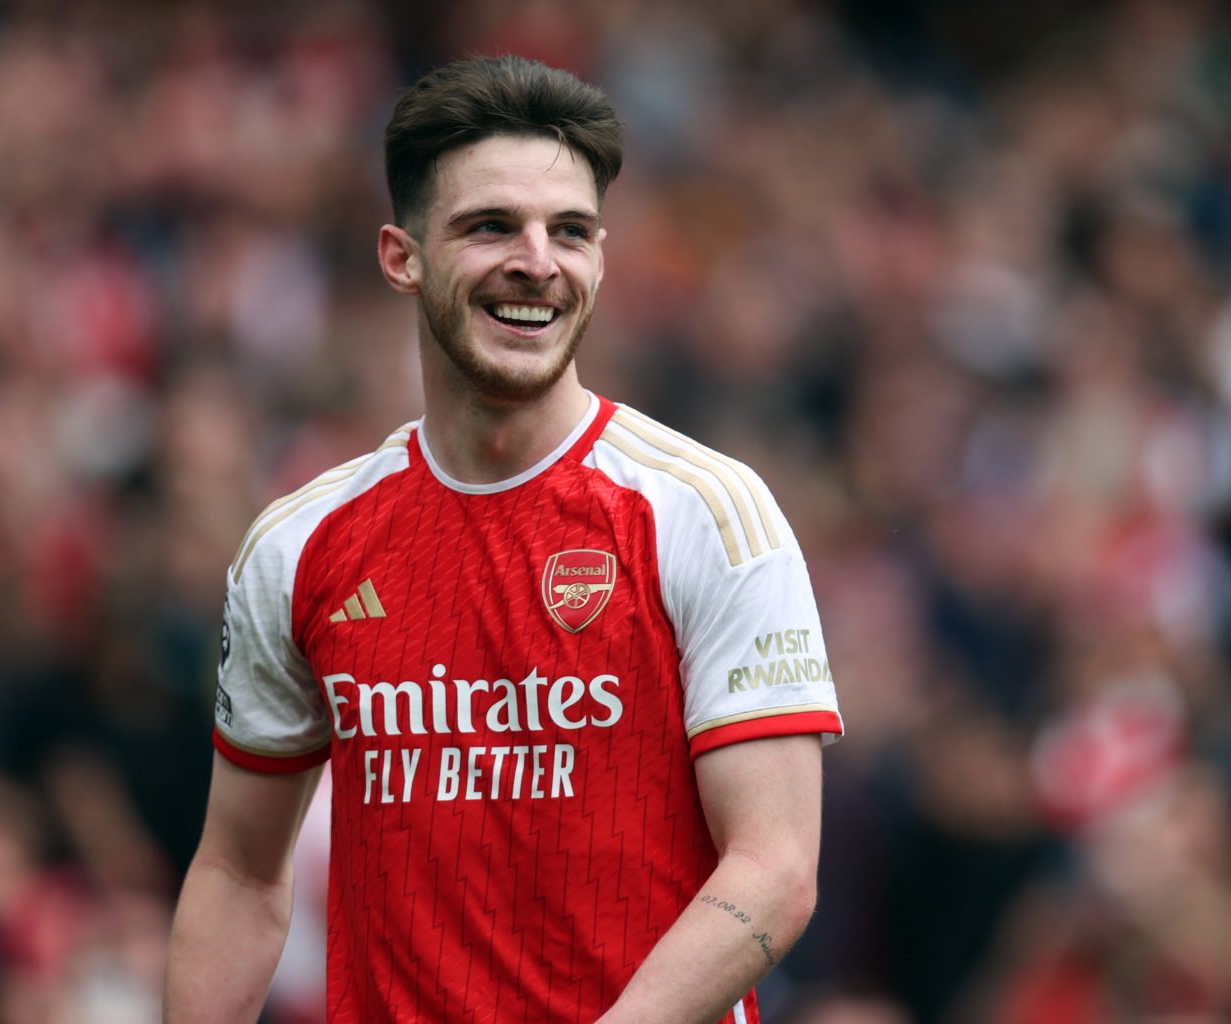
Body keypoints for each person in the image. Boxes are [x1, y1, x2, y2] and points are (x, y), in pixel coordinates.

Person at [163, 54, 843, 1024]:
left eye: (569, 231)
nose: (538, 260)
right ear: (402, 256)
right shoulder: (299, 545)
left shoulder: (707, 512)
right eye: (491, 226)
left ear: (600, 258)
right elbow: (237, 870)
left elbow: (776, 871)